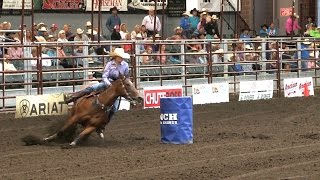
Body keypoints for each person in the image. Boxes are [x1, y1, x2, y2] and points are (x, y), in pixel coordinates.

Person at [64, 48, 131, 124]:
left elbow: (126, 77)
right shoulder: (109, 64)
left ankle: (103, 124)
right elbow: (105, 76)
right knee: (93, 88)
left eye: (122, 58)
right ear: (116, 57)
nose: (121, 59)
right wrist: (108, 84)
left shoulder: (125, 65)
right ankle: (73, 97)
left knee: (114, 109)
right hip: (107, 83)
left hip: (117, 87)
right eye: (120, 57)